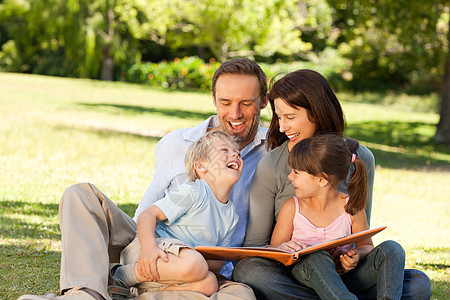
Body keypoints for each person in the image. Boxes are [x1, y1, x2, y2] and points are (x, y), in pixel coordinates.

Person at [18, 57, 268, 300]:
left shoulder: (276, 152)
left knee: (240, 295)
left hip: (196, 270)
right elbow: (147, 211)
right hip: (150, 243)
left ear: (264, 102)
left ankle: (132, 293)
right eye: (225, 102)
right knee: (80, 194)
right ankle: (87, 294)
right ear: (213, 99)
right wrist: (147, 252)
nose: (235, 113)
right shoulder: (176, 142)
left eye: (246, 103)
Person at [232, 69, 431, 299]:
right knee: (249, 272)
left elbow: (360, 239)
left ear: (317, 112)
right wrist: (284, 250)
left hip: (347, 277)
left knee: (417, 285)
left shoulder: (359, 158)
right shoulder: (272, 166)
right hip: (295, 276)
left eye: (290, 117)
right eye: (279, 117)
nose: (283, 127)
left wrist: (352, 257)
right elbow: (254, 248)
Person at [271, 133, 405, 299]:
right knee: (317, 257)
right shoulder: (292, 207)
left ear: (322, 180)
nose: (290, 177)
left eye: (296, 172)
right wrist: (287, 249)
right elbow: (275, 250)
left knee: (393, 249)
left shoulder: (351, 207)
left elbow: (366, 246)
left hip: (346, 280)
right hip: (304, 280)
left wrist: (356, 256)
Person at [109, 131, 242, 297]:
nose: (235, 154)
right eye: (224, 151)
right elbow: (148, 215)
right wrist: (149, 249)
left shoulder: (231, 216)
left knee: (210, 283)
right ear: (201, 167)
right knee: (196, 264)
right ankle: (120, 275)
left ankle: (139, 290)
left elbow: (214, 265)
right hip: (150, 252)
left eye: (237, 152)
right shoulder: (193, 192)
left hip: (178, 269)